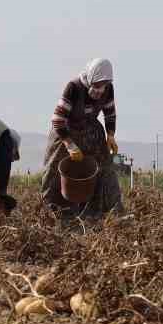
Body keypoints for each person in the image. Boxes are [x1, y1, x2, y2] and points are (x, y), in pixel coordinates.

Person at [42, 57, 123, 217]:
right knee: (55, 169)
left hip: (90, 128)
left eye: (103, 86)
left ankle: (107, 211)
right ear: (90, 78)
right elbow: (58, 120)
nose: (100, 90)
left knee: (105, 166)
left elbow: (110, 113)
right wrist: (69, 144)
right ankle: (53, 212)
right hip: (65, 129)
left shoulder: (108, 90)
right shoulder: (73, 87)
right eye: (97, 86)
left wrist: (111, 135)